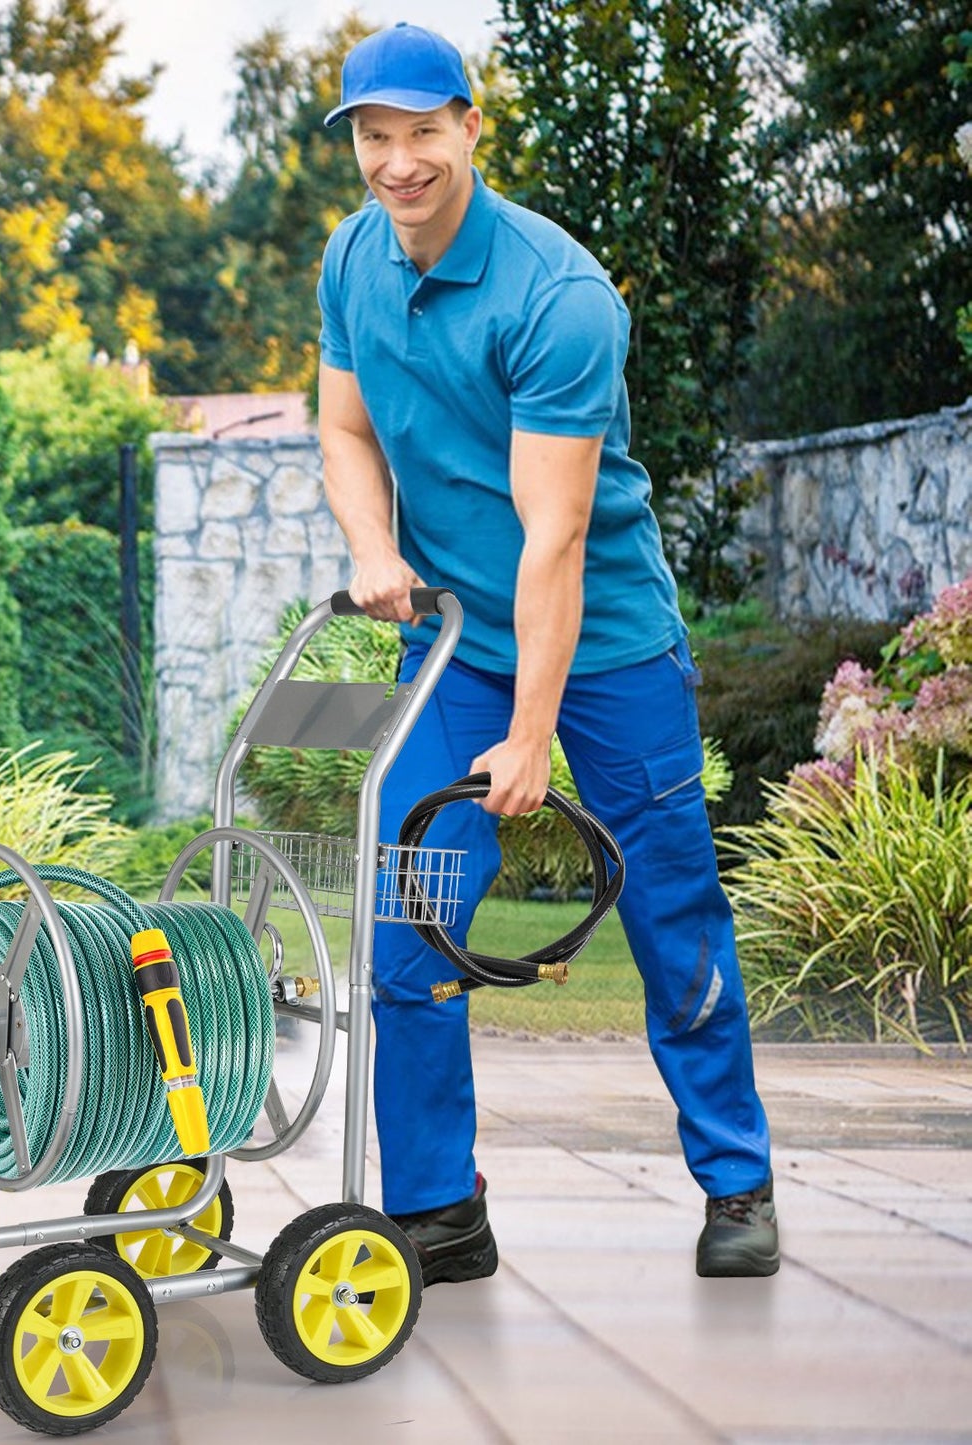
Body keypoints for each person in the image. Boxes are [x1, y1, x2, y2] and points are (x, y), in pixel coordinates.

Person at [317, 22, 778, 1281]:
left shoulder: (556, 296)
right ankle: (436, 1207)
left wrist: (531, 734)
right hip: (453, 642)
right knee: (411, 907)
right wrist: (372, 546)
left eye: (422, 131)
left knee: (670, 904)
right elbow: (344, 430)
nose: (398, 161)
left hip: (606, 645)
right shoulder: (352, 257)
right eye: (373, 136)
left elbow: (555, 536)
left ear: (470, 127)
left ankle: (735, 1182)